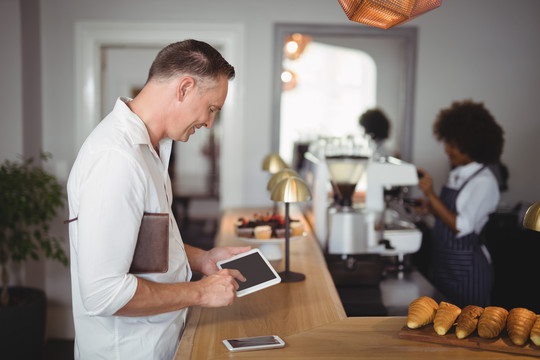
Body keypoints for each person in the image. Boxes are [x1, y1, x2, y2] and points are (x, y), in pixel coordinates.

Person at [66, 39, 251, 359]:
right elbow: (102, 295)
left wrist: (201, 259)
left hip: (160, 343)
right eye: (211, 109)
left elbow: (144, 245)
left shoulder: (151, 150)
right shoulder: (116, 159)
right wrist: (201, 292)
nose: (209, 124)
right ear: (184, 88)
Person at [416, 99, 505, 308]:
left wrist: (431, 194)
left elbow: (461, 226)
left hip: (468, 272)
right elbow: (451, 214)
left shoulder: (484, 181)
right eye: (447, 143)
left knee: (470, 330)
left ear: (471, 146)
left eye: (453, 145)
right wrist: (430, 208)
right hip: (444, 265)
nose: (447, 150)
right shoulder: (458, 174)